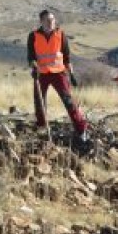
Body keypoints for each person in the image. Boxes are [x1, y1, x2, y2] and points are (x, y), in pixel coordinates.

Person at [27, 10, 88, 142]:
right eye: (48, 20)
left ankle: (81, 129)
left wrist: (71, 74)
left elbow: (66, 57)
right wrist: (33, 65)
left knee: (69, 102)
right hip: (41, 74)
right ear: (41, 21)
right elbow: (31, 56)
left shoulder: (60, 35)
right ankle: (42, 126)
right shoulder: (33, 36)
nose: (51, 22)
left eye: (52, 19)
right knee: (39, 102)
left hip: (59, 73)